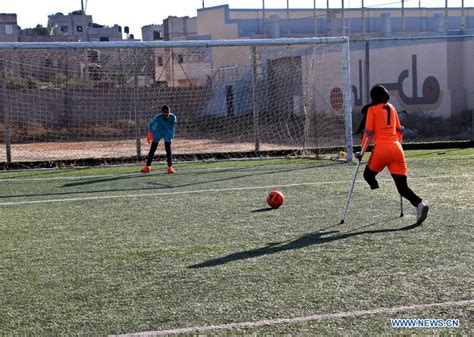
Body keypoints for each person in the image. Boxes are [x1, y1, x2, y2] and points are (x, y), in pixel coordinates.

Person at [356, 85, 428, 225]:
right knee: (402, 188)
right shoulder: (392, 108)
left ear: (373, 97)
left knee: (368, 175)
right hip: (397, 149)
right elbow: (399, 130)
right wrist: (398, 144)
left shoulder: (372, 109)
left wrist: (362, 152)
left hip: (381, 150)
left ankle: (375, 186)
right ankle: (420, 204)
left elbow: (368, 133)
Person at [141, 105, 177, 174]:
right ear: (162, 112)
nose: (166, 114)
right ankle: (147, 167)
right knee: (152, 149)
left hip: (167, 134)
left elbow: (172, 128)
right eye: (165, 112)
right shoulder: (157, 117)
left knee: (168, 149)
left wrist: (171, 136)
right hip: (158, 133)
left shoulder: (173, 117)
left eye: (168, 112)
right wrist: (150, 133)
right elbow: (150, 124)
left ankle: (170, 167)